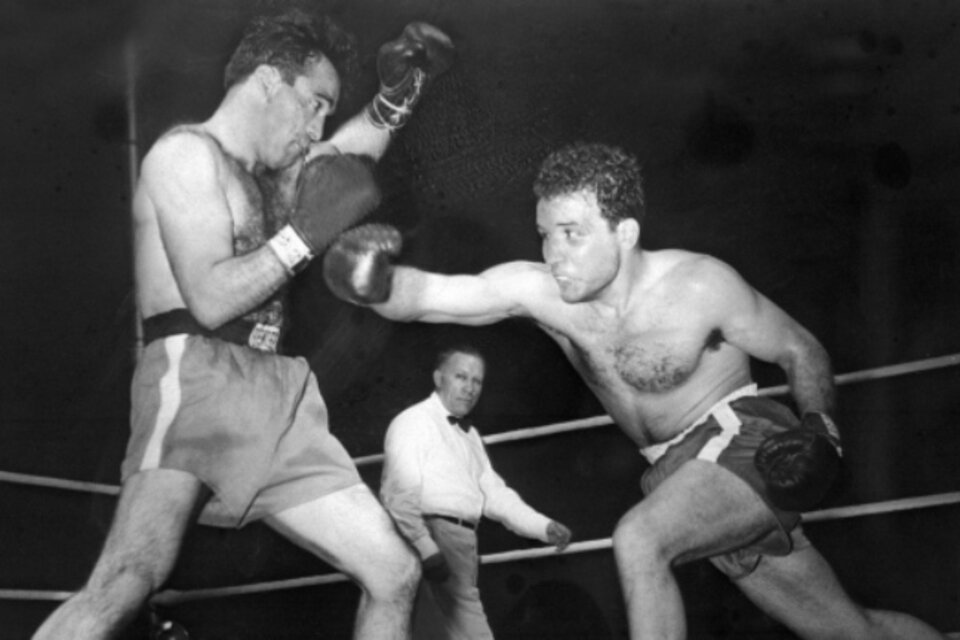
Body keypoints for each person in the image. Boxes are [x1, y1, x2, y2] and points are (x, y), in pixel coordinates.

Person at [321, 142, 949, 639]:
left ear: (623, 232)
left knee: (639, 541)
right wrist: (369, 283)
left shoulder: (701, 286)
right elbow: (433, 297)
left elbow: (799, 348)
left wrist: (822, 433)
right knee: (848, 631)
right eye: (544, 234)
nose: (554, 253)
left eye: (572, 233)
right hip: (676, 472)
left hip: (743, 441)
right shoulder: (543, 294)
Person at [33, 10, 454, 640]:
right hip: (196, 380)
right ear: (266, 81)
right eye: (313, 105)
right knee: (128, 578)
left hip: (276, 393)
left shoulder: (275, 176)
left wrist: (395, 99)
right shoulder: (184, 156)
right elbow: (209, 297)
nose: (317, 128)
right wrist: (305, 236)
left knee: (394, 572)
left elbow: (345, 153)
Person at [381, 344, 572, 639]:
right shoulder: (414, 422)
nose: (470, 388)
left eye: (477, 381)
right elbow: (398, 495)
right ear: (438, 378)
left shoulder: (469, 436)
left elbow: (494, 494)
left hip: (461, 545)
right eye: (461, 376)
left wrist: (542, 526)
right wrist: (426, 548)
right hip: (431, 539)